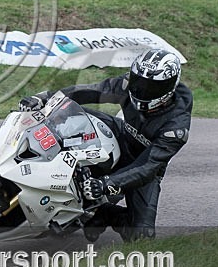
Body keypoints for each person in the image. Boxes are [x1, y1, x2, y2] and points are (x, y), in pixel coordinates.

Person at [18, 48, 192, 241]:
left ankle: (102, 214)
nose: (142, 90)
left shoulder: (176, 128)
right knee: (71, 114)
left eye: (152, 87)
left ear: (170, 88)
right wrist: (45, 98)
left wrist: (106, 184)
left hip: (144, 164)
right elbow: (91, 91)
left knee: (141, 235)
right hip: (120, 134)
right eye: (139, 82)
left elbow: (148, 166)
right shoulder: (129, 85)